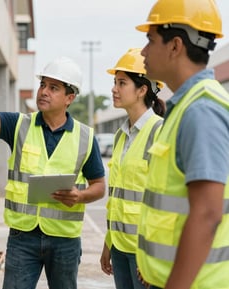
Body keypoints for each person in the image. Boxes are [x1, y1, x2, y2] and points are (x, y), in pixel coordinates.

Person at [0, 56, 105, 289]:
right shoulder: (19, 125)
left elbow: (99, 186)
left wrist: (80, 196)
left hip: (65, 240)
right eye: (43, 85)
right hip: (23, 237)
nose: (44, 91)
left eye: (53, 88)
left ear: (69, 98)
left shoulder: (85, 138)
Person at [134, 0, 229, 288]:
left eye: (150, 40)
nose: (143, 51)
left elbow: (207, 214)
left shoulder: (201, 111)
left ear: (175, 46)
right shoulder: (186, 107)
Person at [99, 48, 165, 289]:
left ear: (142, 90)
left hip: (144, 250)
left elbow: (163, 200)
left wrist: (153, 254)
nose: (114, 89)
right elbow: (117, 197)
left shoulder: (160, 132)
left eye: (122, 83)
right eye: (115, 82)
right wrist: (108, 244)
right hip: (119, 247)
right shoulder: (120, 136)